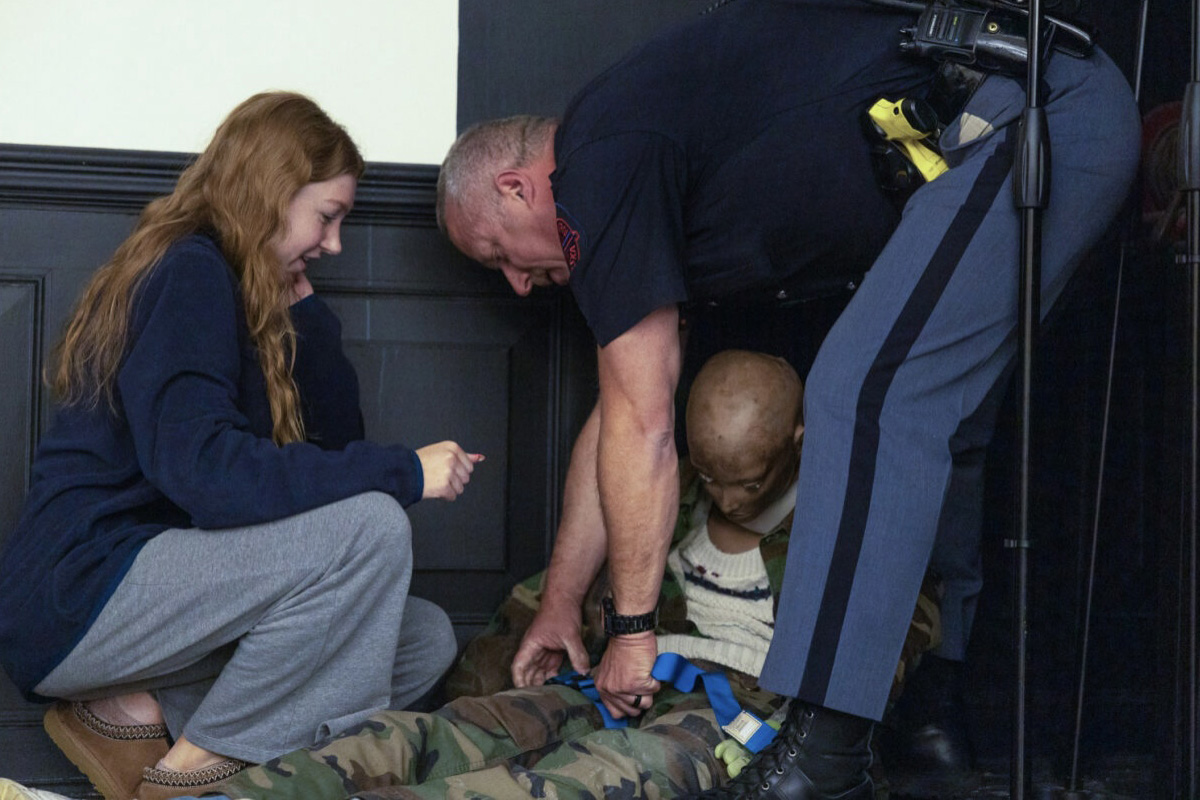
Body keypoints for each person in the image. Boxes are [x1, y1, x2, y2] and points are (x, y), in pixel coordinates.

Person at [435, 1, 1141, 797]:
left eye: (500, 253)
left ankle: (824, 761)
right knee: (939, 416)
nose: (517, 284)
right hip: (1018, 121)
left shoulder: (599, 162)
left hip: (1035, 106)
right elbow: (622, 413)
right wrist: (563, 602)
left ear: (519, 185)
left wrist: (632, 633)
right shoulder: (635, 167)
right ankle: (929, 710)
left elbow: (643, 428)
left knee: (866, 391)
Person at [0, 348, 938, 800]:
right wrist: (535, 647)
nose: (730, 494)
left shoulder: (849, 526)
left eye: (751, 478)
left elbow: (886, 653)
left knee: (544, 789)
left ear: (800, 442)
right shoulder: (674, 497)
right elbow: (552, 603)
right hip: (613, 677)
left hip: (727, 715)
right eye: (713, 472)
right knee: (425, 736)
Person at [0, 92, 482, 800]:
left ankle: (139, 715)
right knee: (375, 528)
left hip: (162, 605)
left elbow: (335, 454)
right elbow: (207, 477)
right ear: (273, 191)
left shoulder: (244, 291)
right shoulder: (189, 273)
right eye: (328, 216)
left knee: (422, 637)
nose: (335, 243)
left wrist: (306, 316)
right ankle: (195, 775)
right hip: (82, 597)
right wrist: (404, 471)